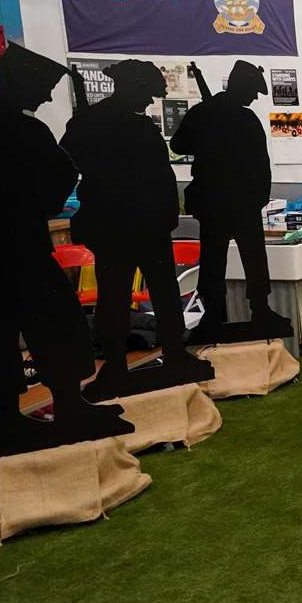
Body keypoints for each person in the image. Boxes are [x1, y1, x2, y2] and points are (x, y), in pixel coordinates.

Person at [0, 45, 131, 455]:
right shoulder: (10, 128)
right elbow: (53, 182)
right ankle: (27, 415)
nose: (44, 98)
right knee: (32, 323)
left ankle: (44, 409)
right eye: (42, 88)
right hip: (7, 242)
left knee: (19, 326)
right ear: (19, 81)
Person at [60, 59, 212, 400]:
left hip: (150, 224)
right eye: (146, 94)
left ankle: (173, 353)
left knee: (165, 292)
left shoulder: (127, 123)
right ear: (132, 88)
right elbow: (69, 163)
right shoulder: (95, 123)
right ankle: (115, 365)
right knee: (114, 298)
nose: (148, 102)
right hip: (117, 226)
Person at [170, 59, 290, 341]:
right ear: (240, 87)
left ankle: (243, 312)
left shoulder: (211, 113)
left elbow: (261, 164)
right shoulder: (237, 118)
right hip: (230, 202)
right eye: (252, 92)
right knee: (237, 258)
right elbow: (179, 146)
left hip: (224, 202)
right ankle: (232, 312)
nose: (252, 99)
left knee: (234, 258)